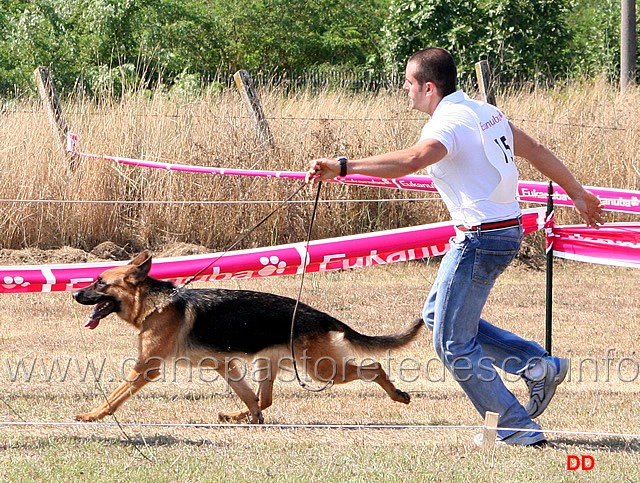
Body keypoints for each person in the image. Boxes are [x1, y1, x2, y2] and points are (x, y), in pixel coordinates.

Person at [305, 47, 604, 447]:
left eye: (409, 82)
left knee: (452, 343)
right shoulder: (484, 112)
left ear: (429, 87)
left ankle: (514, 426)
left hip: (480, 239)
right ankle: (535, 365)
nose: (404, 89)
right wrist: (578, 193)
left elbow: (414, 159)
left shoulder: (447, 123)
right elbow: (534, 150)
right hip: (503, 232)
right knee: (437, 315)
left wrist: (344, 167)